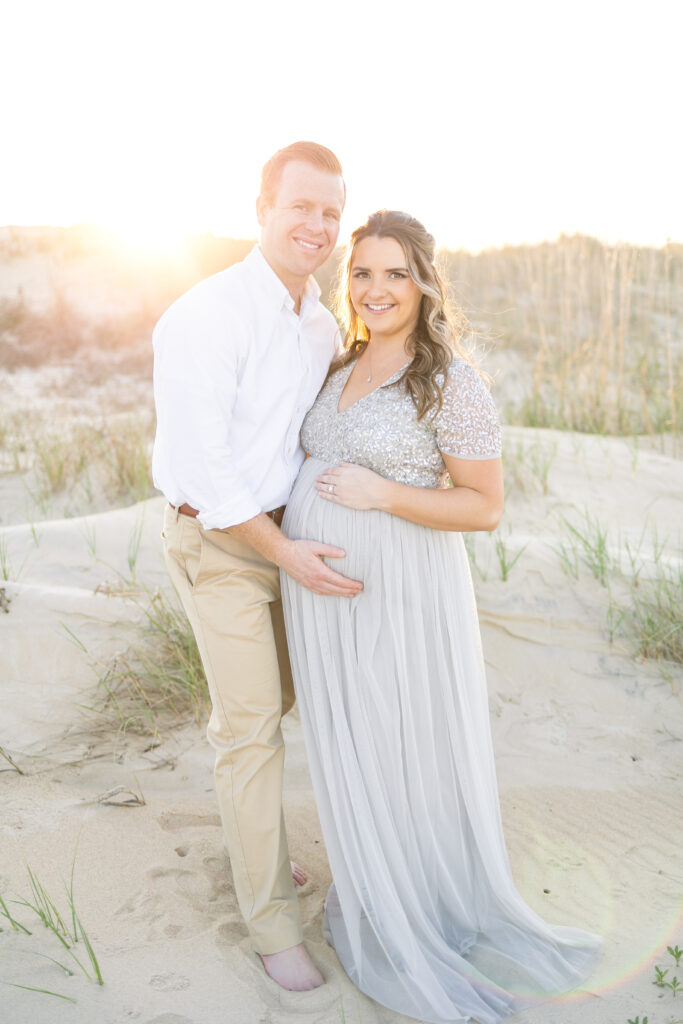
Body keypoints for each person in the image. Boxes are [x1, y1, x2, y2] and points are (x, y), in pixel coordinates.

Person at [280, 210, 603, 1023]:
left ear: (424, 281)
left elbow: (484, 506)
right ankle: (375, 886)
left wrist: (380, 493)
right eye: (362, 273)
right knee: (354, 744)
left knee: (402, 744)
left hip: (404, 594)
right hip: (328, 603)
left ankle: (420, 910)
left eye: (394, 273)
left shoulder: (449, 380)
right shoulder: (339, 360)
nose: (376, 289)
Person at [152, 141, 363, 993]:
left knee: (274, 699)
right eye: (300, 208)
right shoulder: (204, 316)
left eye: (330, 213)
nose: (316, 226)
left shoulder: (318, 324)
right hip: (220, 543)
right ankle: (271, 920)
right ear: (262, 210)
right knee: (251, 729)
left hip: (287, 535)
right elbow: (208, 473)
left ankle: (257, 844)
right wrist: (282, 555)